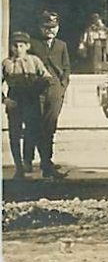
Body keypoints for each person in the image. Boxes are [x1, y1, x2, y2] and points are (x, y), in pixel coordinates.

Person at [2, 32, 51, 179]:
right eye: (15, 46)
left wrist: (38, 89)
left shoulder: (34, 61)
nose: (18, 49)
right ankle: (19, 168)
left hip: (32, 100)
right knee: (14, 135)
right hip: (15, 102)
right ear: (11, 47)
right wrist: (5, 100)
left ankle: (36, 163)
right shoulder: (6, 63)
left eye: (21, 46)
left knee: (34, 133)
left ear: (27, 46)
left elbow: (47, 78)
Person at [29, 11, 70, 178]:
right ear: (40, 28)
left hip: (55, 91)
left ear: (58, 28)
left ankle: (47, 161)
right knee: (39, 127)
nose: (50, 31)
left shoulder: (61, 45)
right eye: (46, 28)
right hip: (38, 91)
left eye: (53, 27)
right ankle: (45, 163)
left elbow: (66, 67)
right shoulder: (32, 44)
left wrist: (63, 86)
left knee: (50, 126)